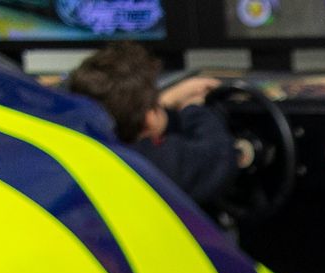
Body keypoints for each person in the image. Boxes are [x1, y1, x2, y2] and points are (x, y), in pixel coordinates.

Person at [67, 43, 244, 211]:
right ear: (150, 119)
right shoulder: (154, 165)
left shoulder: (78, 155)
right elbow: (219, 154)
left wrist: (164, 101)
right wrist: (193, 107)